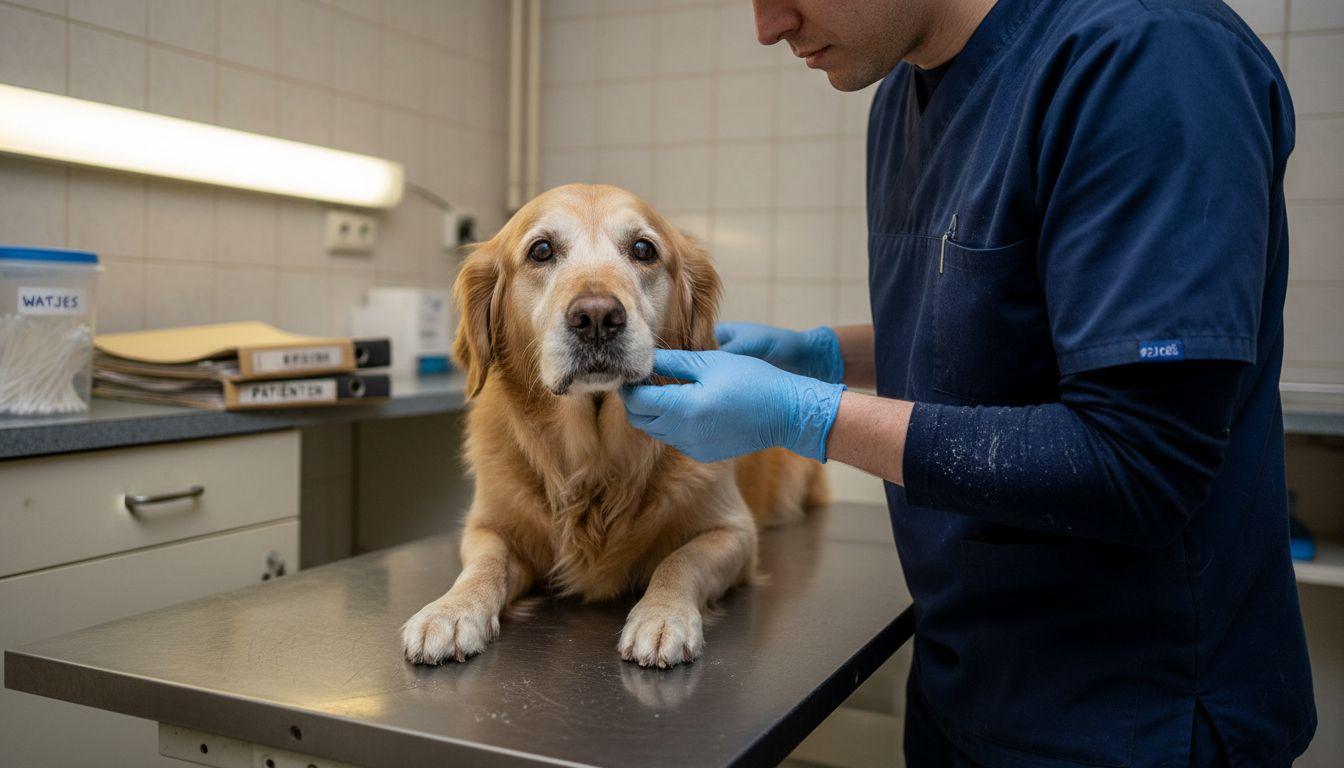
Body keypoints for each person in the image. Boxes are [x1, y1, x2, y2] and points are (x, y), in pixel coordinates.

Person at [619, 1, 1317, 766]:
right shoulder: (899, 88)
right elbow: (1005, 329)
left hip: (1131, 715)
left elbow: (1137, 461)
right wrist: (821, 355)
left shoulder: (1148, 59)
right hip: (963, 685)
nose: (769, 25)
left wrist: (806, 417)